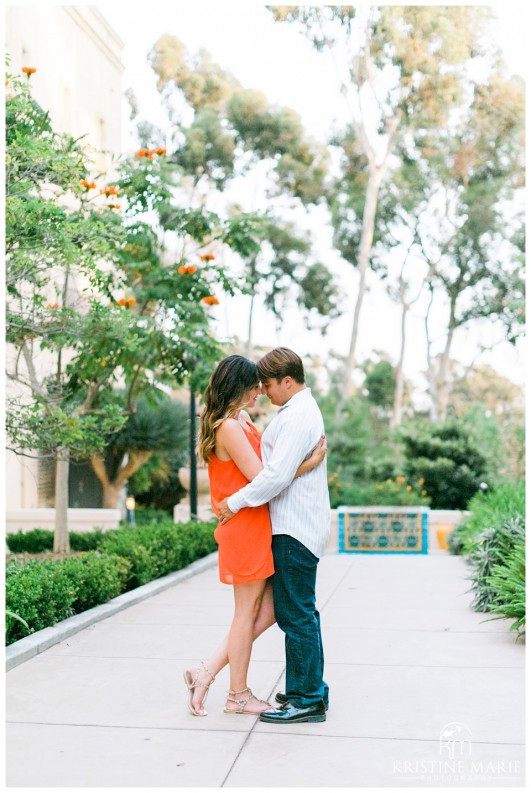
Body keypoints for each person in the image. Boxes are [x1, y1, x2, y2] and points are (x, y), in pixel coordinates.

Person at [183, 355, 326, 717]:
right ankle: (237, 694)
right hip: (243, 524)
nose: (259, 393)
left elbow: (270, 472)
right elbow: (266, 477)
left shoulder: (240, 419)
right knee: (247, 614)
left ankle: (207, 671)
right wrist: (308, 464)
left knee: (274, 609)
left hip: (255, 522)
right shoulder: (228, 427)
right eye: (254, 387)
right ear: (238, 387)